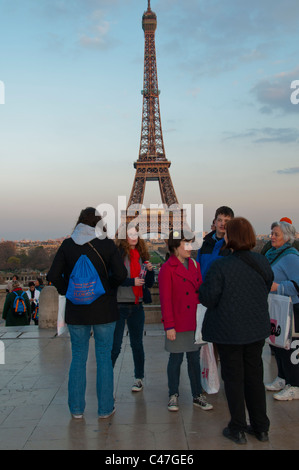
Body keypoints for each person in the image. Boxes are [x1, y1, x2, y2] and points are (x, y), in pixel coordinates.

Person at [198, 217, 273, 444]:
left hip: (228, 331)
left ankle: (238, 428)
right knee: (254, 377)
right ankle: (261, 427)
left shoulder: (221, 265)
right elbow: (267, 286)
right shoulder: (262, 262)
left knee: (233, 379)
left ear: (230, 238)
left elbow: (208, 298)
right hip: (256, 330)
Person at [47, 207, 127, 419]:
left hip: (77, 310)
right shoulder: (107, 244)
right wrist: (107, 288)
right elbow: (121, 274)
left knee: (78, 358)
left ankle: (76, 410)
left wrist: (69, 291)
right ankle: (105, 409)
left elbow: (53, 275)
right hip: (104, 309)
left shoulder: (68, 244)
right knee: (103, 359)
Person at [158, 230, 213, 413]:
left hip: (193, 321)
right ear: (175, 246)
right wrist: (169, 326)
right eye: (186, 243)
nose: (190, 247)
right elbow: (165, 300)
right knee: (175, 359)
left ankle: (197, 394)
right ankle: (173, 394)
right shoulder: (167, 269)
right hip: (178, 322)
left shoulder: (195, 265)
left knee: (193, 360)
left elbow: (200, 291)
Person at [111, 225, 154, 392]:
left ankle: (139, 378)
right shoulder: (117, 255)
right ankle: (107, 376)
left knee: (137, 344)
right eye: (130, 234)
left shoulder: (142, 256)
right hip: (120, 304)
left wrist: (150, 271)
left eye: (136, 233)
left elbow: (148, 284)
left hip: (137, 305)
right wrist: (131, 282)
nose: (134, 237)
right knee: (115, 346)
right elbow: (113, 278)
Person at [264, 221, 299, 401]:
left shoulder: (291, 257)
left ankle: (295, 384)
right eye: (271, 233)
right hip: (277, 306)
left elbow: (297, 284)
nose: (272, 237)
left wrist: (277, 286)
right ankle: (283, 377)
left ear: (286, 237)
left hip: (290, 308)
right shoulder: (272, 254)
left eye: (276, 234)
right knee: (277, 344)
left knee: (289, 346)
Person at [196, 206, 234, 280]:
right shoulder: (204, 244)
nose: (222, 224)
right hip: (204, 289)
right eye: (220, 220)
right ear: (215, 222)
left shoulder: (234, 246)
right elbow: (197, 270)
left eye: (226, 221)